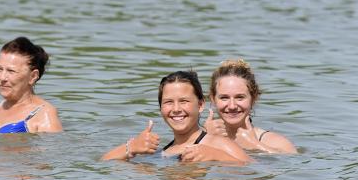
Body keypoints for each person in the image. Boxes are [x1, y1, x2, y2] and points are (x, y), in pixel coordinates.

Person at [102, 71, 250, 163]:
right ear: (161, 108)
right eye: (168, 102)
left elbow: (255, 170)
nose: (176, 109)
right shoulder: (161, 153)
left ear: (200, 105)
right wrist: (131, 147)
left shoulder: (217, 144)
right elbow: (104, 163)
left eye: (184, 101)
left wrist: (216, 155)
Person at [0, 37, 63, 138]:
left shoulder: (44, 114)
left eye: (11, 71)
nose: (2, 77)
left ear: (33, 76)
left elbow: (55, 152)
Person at [204, 59, 297, 154]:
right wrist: (206, 140)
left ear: (253, 98)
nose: (232, 106)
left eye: (240, 97)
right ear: (213, 99)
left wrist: (256, 146)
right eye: (224, 97)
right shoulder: (197, 137)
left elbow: (293, 162)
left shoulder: (275, 143)